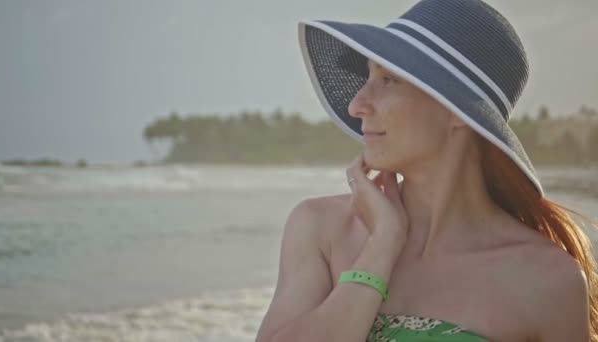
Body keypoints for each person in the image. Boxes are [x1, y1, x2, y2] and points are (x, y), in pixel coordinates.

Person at [255, 0, 597, 341]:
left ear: (458, 111)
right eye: (368, 76)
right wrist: (382, 246)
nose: (356, 105)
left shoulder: (546, 280)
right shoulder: (321, 230)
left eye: (388, 80)